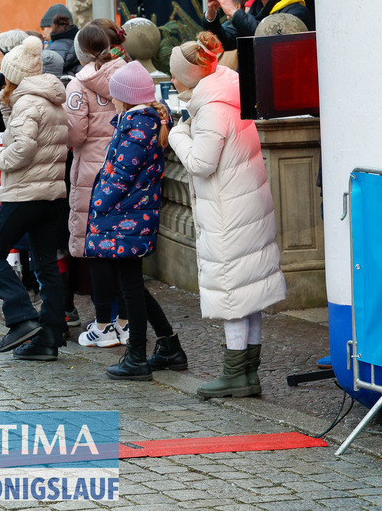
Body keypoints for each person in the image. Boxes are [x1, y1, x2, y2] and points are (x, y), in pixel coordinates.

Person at [168, 35, 285, 398]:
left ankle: (236, 373)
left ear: (188, 78)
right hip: (245, 205)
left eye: (175, 76)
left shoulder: (213, 108)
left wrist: (176, 133)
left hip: (227, 212)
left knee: (234, 293)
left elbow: (201, 163)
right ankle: (247, 372)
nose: (172, 82)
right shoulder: (228, 95)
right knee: (249, 290)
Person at [85, 60, 184, 381]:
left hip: (124, 218)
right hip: (128, 217)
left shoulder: (137, 126)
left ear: (125, 97)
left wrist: (98, 204)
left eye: (114, 95)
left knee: (130, 288)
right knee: (132, 286)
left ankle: (137, 355)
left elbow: (120, 175)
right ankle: (168, 344)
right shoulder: (138, 122)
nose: (111, 100)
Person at [0, 36, 69, 360]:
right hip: (52, 193)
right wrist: (8, 106)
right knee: (46, 265)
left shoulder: (28, 103)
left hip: (26, 193)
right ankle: (49, 337)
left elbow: (23, 148)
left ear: (12, 75)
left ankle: (21, 318)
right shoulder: (49, 99)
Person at [66, 24, 130, 348]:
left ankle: (104, 322)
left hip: (92, 172)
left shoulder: (78, 85)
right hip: (123, 166)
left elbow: (75, 135)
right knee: (124, 247)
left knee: (98, 249)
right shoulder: (127, 74)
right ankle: (125, 320)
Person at [40, 4, 81, 75]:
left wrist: (47, 53)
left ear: (52, 26)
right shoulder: (81, 45)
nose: (43, 35)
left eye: (44, 29)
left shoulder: (52, 51)